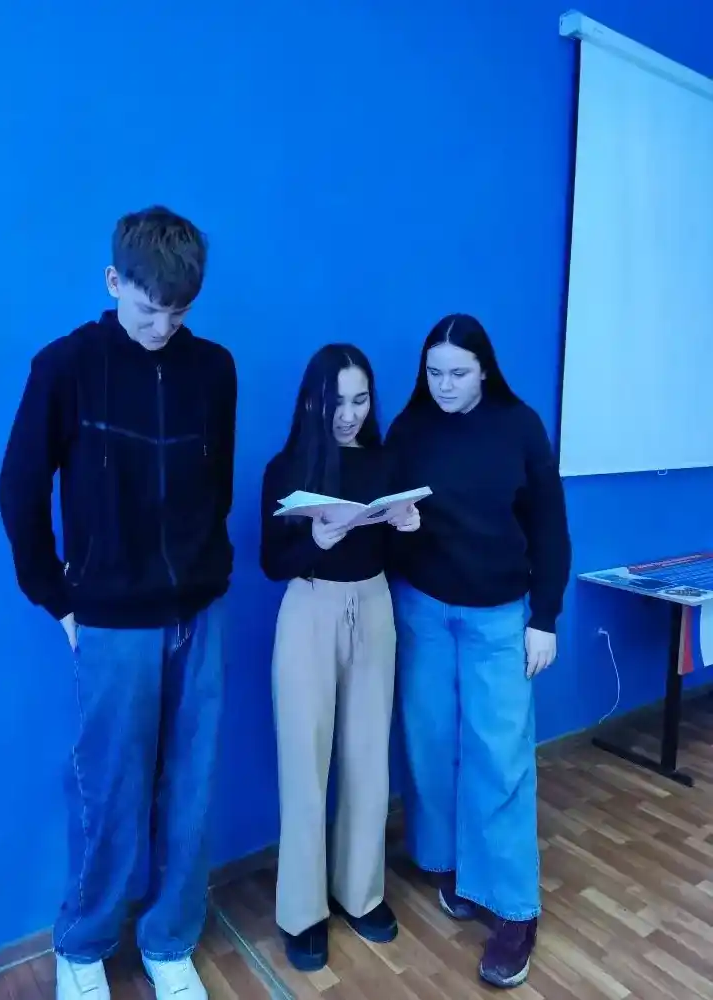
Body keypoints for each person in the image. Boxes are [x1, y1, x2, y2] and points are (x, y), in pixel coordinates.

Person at [0, 207, 237, 1000]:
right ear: (113, 281)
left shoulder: (215, 370)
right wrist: (58, 599)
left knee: (191, 788)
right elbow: (18, 489)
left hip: (199, 612)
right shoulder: (65, 366)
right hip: (110, 619)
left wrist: (200, 572)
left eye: (179, 312)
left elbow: (216, 489)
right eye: (148, 308)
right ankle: (85, 944)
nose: (163, 327)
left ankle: (170, 941)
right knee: (110, 788)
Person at [386, 314, 571, 990]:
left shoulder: (519, 427)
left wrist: (544, 617)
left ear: (485, 369)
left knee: (500, 757)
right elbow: (389, 525)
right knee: (431, 745)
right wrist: (398, 526)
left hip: (499, 618)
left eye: (458, 373)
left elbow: (550, 525)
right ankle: (453, 867)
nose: (444, 385)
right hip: (423, 611)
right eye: (434, 373)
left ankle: (515, 910)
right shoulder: (410, 429)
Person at [260, 345, 419, 972]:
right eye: (337, 402)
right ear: (312, 402)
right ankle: (302, 912)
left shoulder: (385, 462)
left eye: (361, 400)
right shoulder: (286, 468)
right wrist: (316, 540)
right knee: (305, 762)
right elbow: (271, 563)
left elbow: (396, 558)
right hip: (309, 609)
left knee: (368, 757)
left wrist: (407, 528)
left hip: (374, 607)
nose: (349, 415)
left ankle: (360, 893)